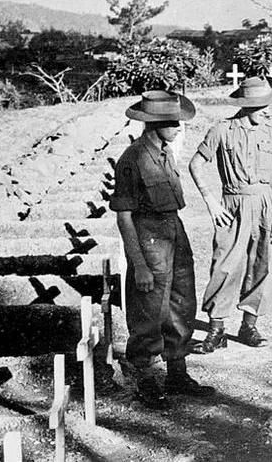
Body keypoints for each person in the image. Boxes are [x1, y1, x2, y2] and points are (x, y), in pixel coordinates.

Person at [110, 90, 214, 410]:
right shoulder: (133, 159)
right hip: (148, 236)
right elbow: (124, 216)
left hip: (173, 230)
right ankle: (145, 379)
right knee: (149, 309)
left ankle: (177, 374)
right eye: (172, 122)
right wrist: (138, 263)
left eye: (178, 121)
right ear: (154, 124)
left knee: (182, 302)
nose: (179, 127)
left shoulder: (166, 153)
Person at [189, 76, 272, 354]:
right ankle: (216, 330)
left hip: (266, 205)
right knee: (225, 265)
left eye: (268, 104)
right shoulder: (222, 130)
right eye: (260, 106)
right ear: (245, 106)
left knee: (263, 264)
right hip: (232, 204)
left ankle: (249, 326)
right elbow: (195, 164)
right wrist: (211, 203)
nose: (266, 110)